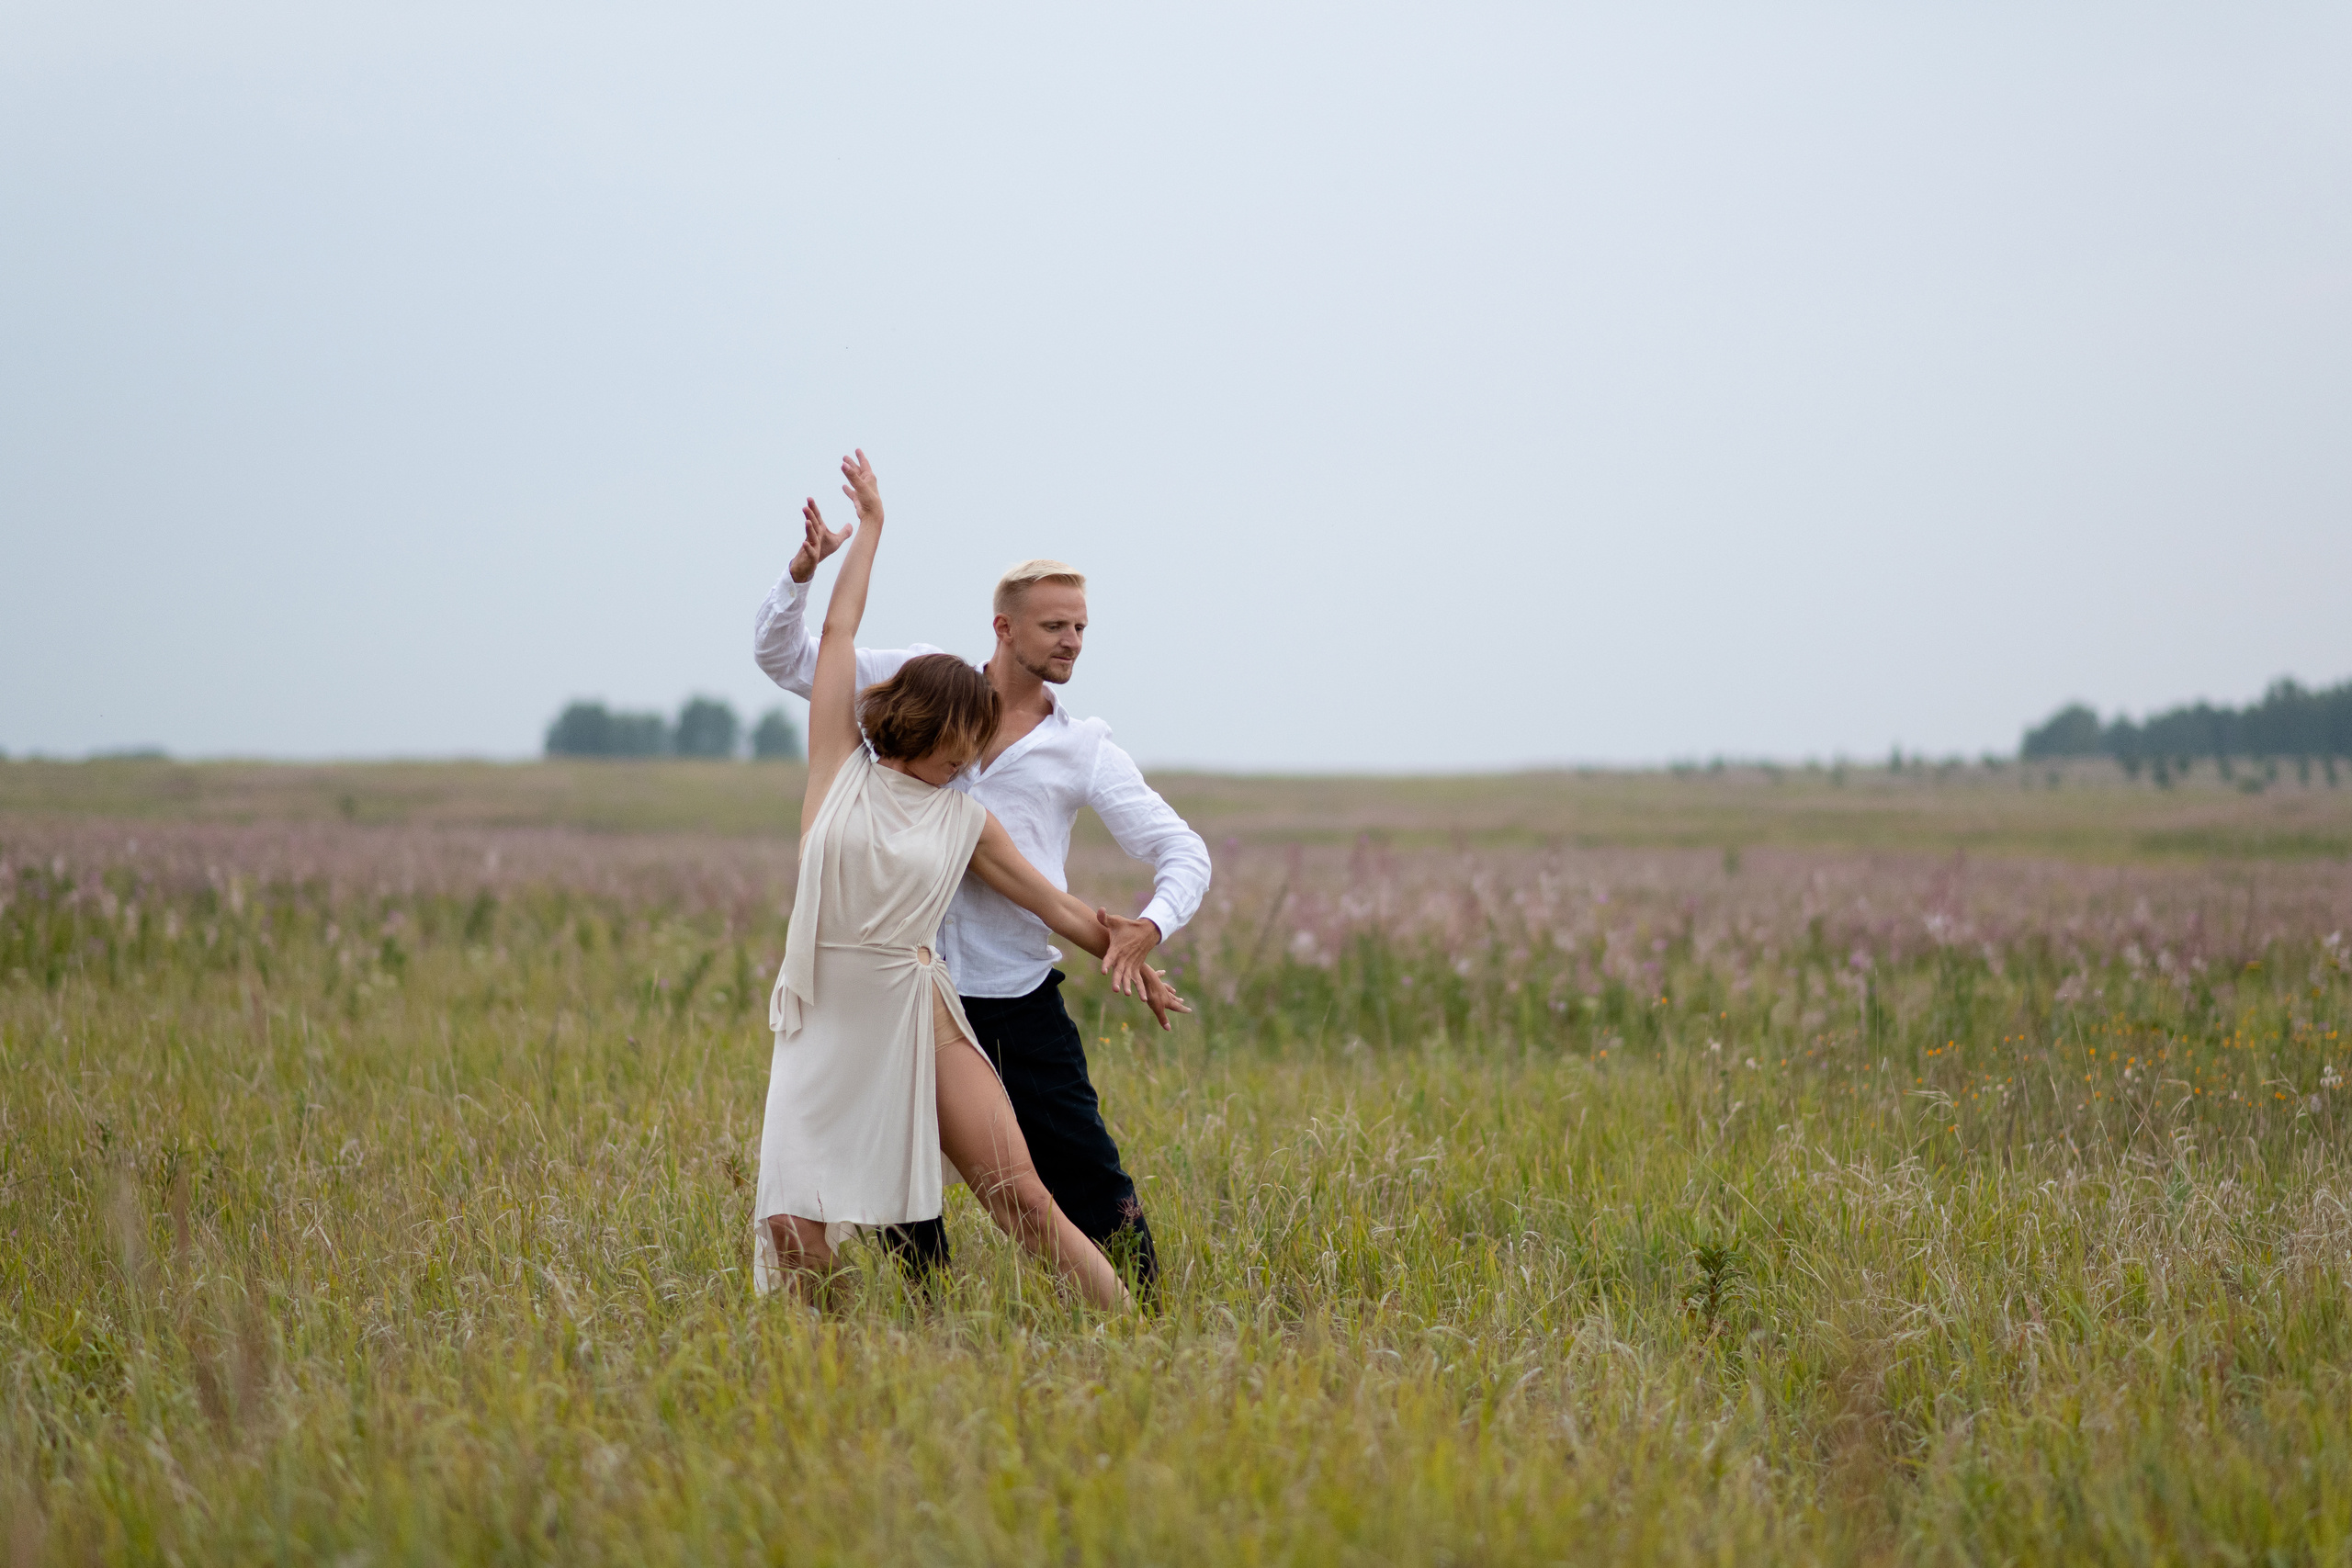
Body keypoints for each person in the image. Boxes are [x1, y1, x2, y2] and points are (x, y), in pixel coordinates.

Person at [753, 449, 1187, 1310]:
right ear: (922, 722)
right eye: (961, 746)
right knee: (797, 1227)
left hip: (925, 1002)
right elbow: (834, 638)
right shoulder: (837, 772)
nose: (971, 764)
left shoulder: (964, 816)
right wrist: (868, 531)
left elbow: (1054, 903)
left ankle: (1138, 1326)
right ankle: (849, 1351)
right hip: (824, 1016)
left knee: (1023, 1195)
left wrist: (1134, 949)